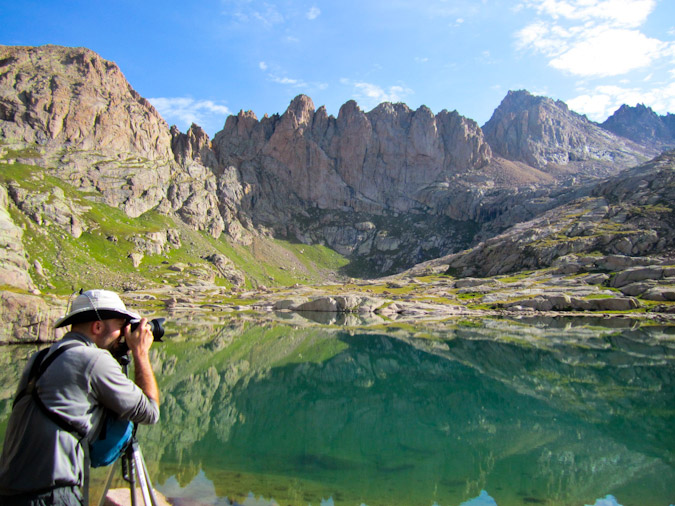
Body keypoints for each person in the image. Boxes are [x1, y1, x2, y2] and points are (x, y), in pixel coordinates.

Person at [0, 289, 161, 505]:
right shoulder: (93, 360)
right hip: (51, 495)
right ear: (97, 326)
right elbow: (150, 412)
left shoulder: (40, 358)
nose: (124, 333)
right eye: (120, 325)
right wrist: (140, 353)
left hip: (11, 491)